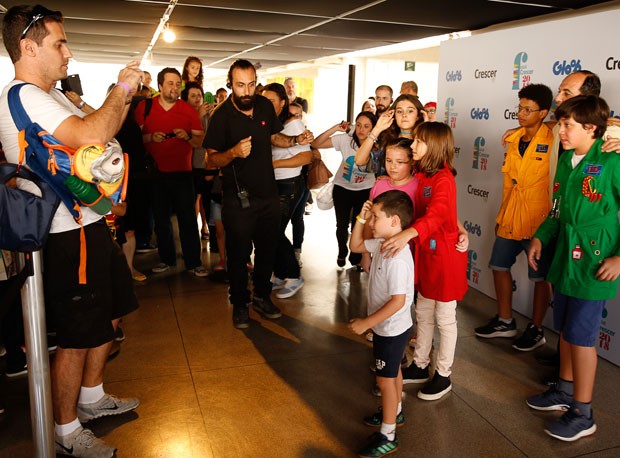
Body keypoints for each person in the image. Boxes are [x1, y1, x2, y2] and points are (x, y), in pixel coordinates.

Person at [0, 5, 142, 456]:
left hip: (92, 221)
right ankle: (64, 431)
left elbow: (101, 137)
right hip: (65, 232)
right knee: (78, 332)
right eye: (59, 43)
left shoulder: (53, 95)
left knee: (109, 316)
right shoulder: (25, 95)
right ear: (27, 47)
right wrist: (122, 88)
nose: (69, 52)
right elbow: (94, 130)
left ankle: (92, 398)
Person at [525, 95, 620, 441]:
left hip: (595, 263)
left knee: (581, 339)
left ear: (591, 128)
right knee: (565, 330)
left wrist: (619, 258)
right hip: (565, 257)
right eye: (560, 123)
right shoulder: (566, 160)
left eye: (567, 125)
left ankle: (583, 411)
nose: (560, 131)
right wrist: (539, 237)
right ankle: (564, 391)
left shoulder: (611, 160)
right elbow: (557, 208)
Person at [203, 59, 314, 329]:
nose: (246, 91)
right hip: (238, 198)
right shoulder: (221, 116)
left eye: (251, 84)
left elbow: (273, 136)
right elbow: (210, 160)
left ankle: (262, 297)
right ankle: (240, 303)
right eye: (240, 85)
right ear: (230, 84)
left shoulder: (264, 105)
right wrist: (232, 153)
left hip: (268, 195)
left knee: (267, 250)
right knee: (239, 254)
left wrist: (294, 140)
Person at [382, 122, 468, 401]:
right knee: (423, 313)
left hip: (444, 258)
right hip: (427, 256)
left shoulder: (444, 178)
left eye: (419, 142)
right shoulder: (425, 174)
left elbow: (439, 213)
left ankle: (443, 374)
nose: (413, 146)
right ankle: (420, 365)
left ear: (435, 147)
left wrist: (408, 233)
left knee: (445, 318)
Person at [474, 84, 554, 351]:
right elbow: (509, 182)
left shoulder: (554, 138)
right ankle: (505, 320)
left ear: (543, 112)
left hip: (539, 218)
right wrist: (501, 214)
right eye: (520, 107)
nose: (521, 113)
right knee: (498, 265)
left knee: (540, 278)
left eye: (528, 110)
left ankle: (537, 327)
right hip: (510, 214)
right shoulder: (512, 138)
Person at [348, 190, 414, 458]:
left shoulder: (397, 257)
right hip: (390, 328)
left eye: (376, 217)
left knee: (384, 381)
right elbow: (355, 246)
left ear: (395, 221)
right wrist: (361, 219)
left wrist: (367, 323)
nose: (372, 223)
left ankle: (388, 435)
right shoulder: (383, 243)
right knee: (394, 373)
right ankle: (395, 412)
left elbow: (398, 301)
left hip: (390, 329)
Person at [134, 67, 208, 277]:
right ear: (160, 86)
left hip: (183, 173)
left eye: (178, 84)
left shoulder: (188, 111)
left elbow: (200, 141)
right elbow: (135, 139)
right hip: (155, 174)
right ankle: (167, 259)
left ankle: (194, 262)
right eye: (170, 83)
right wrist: (150, 138)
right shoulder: (145, 108)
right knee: (161, 219)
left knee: (187, 219)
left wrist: (186, 137)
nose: (175, 88)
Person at [262, 82, 310, 298]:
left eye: (271, 101)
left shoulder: (294, 126)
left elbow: (306, 157)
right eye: (264, 100)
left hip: (289, 184)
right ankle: (280, 274)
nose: (266, 104)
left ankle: (293, 275)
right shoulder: (271, 124)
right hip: (272, 183)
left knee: (272, 231)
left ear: (283, 102)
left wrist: (274, 165)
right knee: (270, 231)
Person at [312, 112, 377, 268]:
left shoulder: (378, 143)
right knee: (341, 225)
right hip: (343, 188)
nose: (361, 130)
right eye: (359, 125)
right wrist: (335, 128)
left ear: (374, 128)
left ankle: (355, 255)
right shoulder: (346, 139)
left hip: (365, 189)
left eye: (367, 126)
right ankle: (342, 251)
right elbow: (316, 144)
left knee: (358, 224)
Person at [355, 94, 425, 177]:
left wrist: (427, 131)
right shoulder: (386, 139)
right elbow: (359, 161)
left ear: (418, 116)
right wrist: (377, 128)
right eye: (399, 111)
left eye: (410, 111)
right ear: (393, 115)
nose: (404, 115)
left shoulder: (424, 141)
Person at [181, 81, 214, 242]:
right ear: (186, 98)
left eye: (199, 96)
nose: (197, 99)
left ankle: (206, 227)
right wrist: (197, 116)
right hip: (188, 165)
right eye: (193, 96)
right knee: (192, 201)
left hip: (205, 163)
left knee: (206, 200)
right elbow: (184, 137)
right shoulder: (183, 115)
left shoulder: (207, 114)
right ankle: (190, 236)